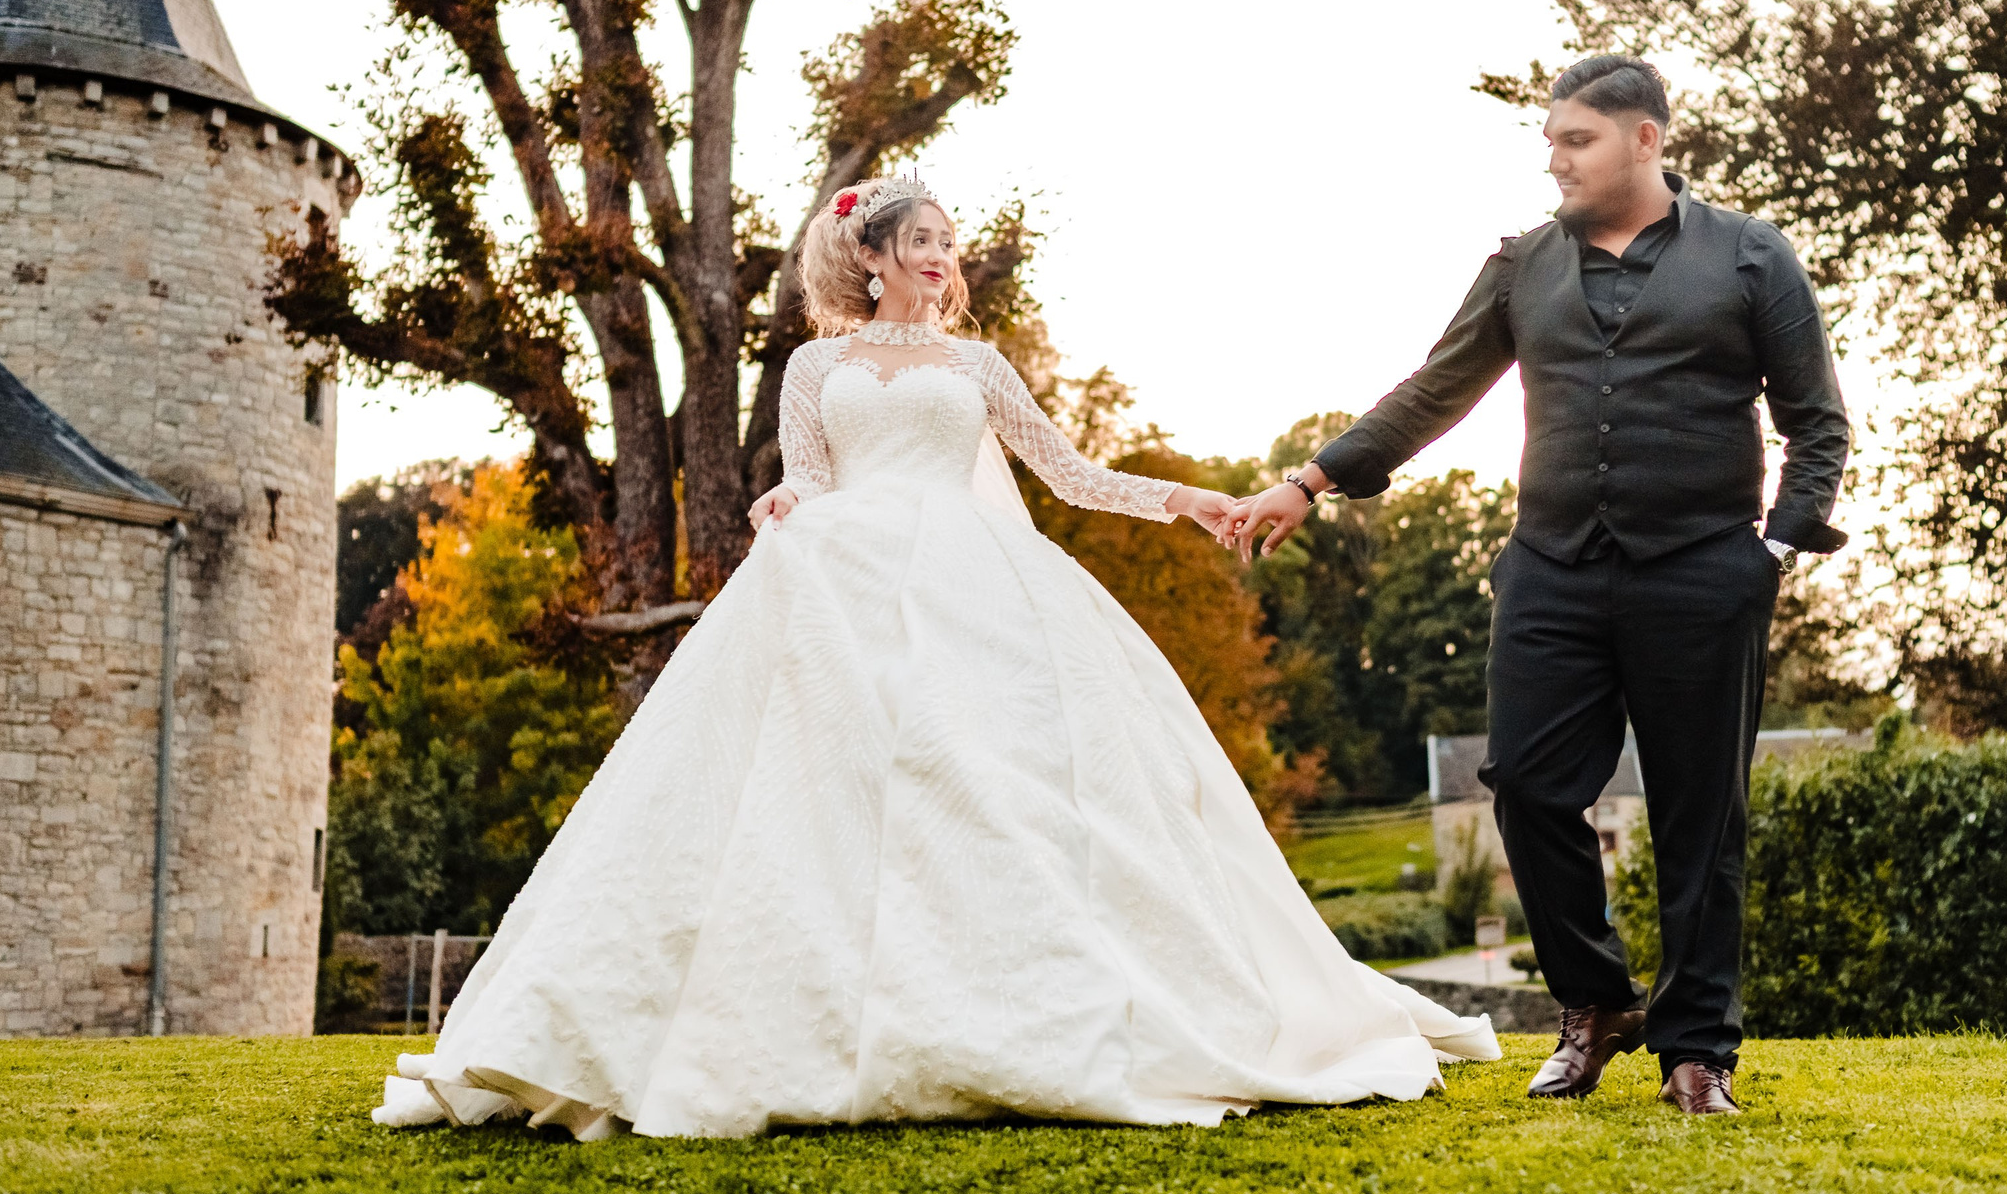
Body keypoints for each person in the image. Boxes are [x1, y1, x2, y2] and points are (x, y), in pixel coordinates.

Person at [374, 174, 1497, 1140]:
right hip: (842, 578)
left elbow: (1067, 476)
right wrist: (782, 495)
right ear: (872, 258)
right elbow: (810, 474)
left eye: (949, 244)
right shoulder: (814, 367)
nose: (943, 259)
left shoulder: (979, 365)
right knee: (817, 789)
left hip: (977, 586)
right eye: (924, 242)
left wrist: (1188, 500)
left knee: (995, 784)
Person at [1222, 56, 1849, 1116]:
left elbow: (1816, 421)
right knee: (1525, 784)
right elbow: (1436, 387)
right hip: (1552, 570)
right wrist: (1311, 479)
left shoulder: (1749, 257)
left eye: (1575, 140)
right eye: (1550, 139)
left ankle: (1699, 1053)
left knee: (1703, 817)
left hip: (1703, 572)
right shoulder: (1520, 265)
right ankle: (1594, 1003)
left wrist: (1772, 552)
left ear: (1645, 139)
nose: (1552, 159)